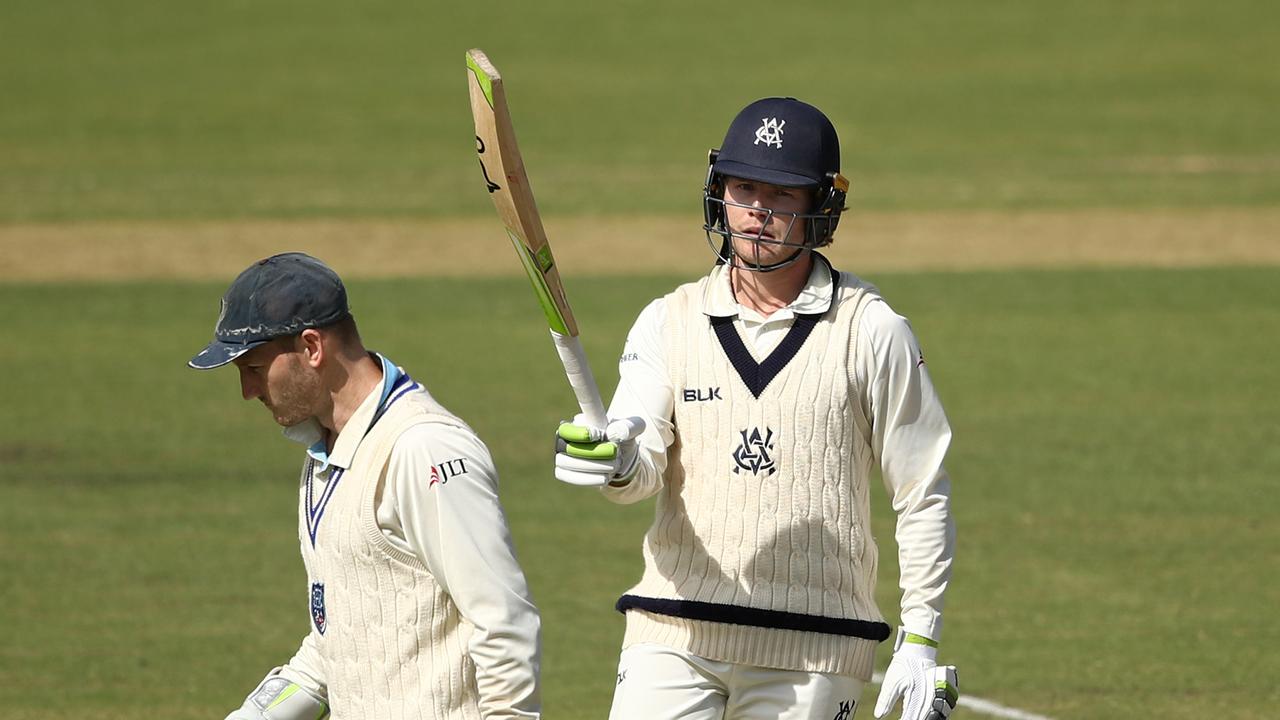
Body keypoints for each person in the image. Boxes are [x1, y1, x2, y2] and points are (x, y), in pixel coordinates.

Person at [553, 98, 959, 720]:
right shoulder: (669, 320)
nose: (758, 213)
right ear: (719, 192)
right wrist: (613, 460)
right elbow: (641, 464)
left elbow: (922, 487)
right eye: (744, 188)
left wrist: (922, 636)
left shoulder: (871, 330)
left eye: (783, 195)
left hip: (817, 648)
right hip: (673, 633)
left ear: (820, 206)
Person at [190, 252, 541, 720]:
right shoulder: (325, 453)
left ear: (312, 347)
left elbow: (503, 622)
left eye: (253, 369)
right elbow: (336, 643)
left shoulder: (423, 448)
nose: (247, 392)